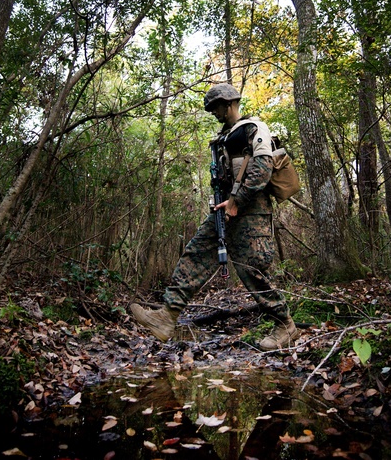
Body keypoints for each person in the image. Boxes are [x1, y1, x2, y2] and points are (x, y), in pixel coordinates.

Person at [129, 82, 301, 350]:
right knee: (196, 251)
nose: (213, 113)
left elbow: (263, 168)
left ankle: (285, 325)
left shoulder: (254, 128)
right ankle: (167, 316)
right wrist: (227, 204)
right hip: (226, 210)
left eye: (216, 107)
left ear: (229, 102)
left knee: (252, 271)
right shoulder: (226, 135)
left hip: (251, 212)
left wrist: (237, 202)